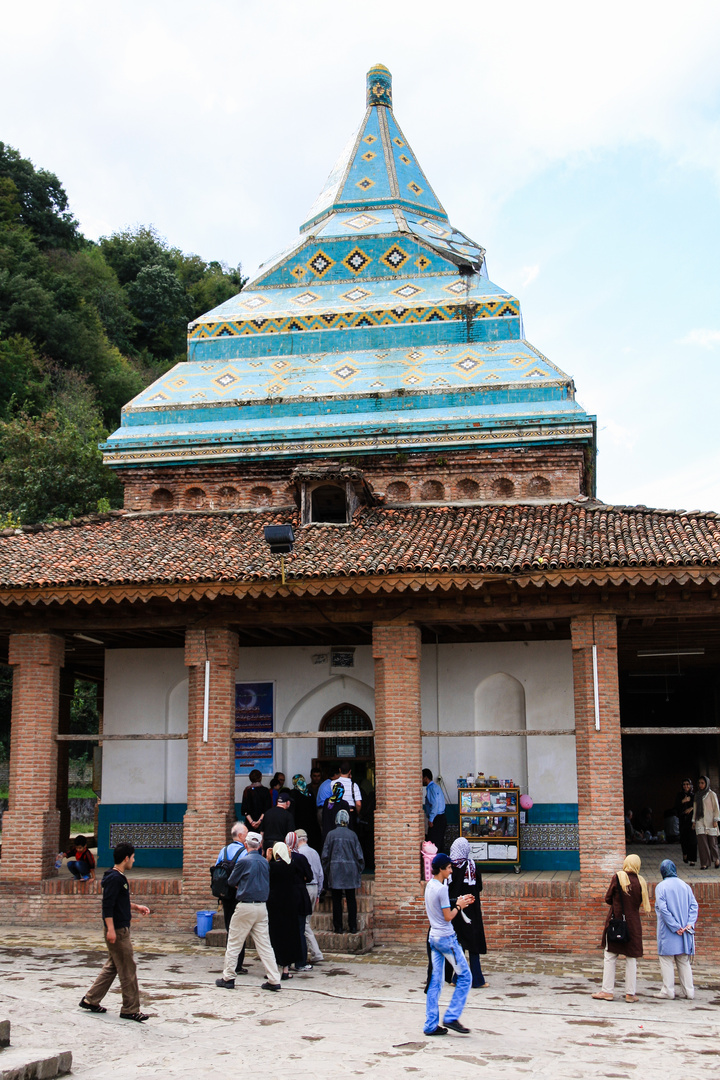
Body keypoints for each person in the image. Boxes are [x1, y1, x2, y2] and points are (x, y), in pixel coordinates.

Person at [79, 842, 150, 1021]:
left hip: (119, 928)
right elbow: (107, 905)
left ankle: (91, 999)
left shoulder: (118, 877)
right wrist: (111, 929)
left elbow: (120, 902)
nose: (134, 860)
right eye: (133, 857)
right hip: (117, 930)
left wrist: (136, 907)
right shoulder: (115, 878)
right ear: (126, 858)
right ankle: (130, 1009)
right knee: (127, 969)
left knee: (113, 966)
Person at [215, 832, 282, 992]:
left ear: (246, 845)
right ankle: (274, 979)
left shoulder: (244, 861)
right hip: (261, 907)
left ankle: (228, 977)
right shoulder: (265, 863)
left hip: (245, 905)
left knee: (234, 942)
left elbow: (231, 881)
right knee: (265, 945)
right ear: (259, 845)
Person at [423, 852, 474, 1036]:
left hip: (433, 938)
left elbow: (439, 907)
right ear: (442, 869)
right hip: (446, 938)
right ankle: (452, 1016)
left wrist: (457, 901)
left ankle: (430, 1024)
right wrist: (459, 906)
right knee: (466, 977)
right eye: (449, 868)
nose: (451, 870)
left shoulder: (430, 885)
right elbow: (448, 916)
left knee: (435, 982)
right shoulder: (442, 888)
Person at [592, 853, 651, 1003]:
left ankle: (607, 991)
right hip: (634, 925)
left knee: (610, 957)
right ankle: (630, 994)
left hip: (617, 923)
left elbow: (607, 899)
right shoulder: (641, 881)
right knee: (631, 959)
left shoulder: (618, 877)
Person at [444, 837, 487, 989]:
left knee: (459, 944)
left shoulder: (449, 868)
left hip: (455, 910)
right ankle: (477, 980)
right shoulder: (472, 866)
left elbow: (445, 889)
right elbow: (479, 887)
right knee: (473, 945)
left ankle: (457, 978)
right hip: (472, 911)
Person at [654, 859, 698, 1000]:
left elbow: (663, 909)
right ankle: (689, 991)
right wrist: (689, 924)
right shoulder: (685, 886)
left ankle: (668, 990)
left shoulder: (661, 887)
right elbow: (694, 906)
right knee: (683, 960)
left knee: (666, 960)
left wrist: (674, 926)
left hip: (668, 931)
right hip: (685, 932)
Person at [322, 808, 364, 934]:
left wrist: (328, 870)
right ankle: (353, 926)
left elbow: (325, 856)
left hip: (335, 871)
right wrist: (358, 871)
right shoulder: (353, 835)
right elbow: (360, 857)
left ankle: (338, 927)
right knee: (351, 899)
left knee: (336, 900)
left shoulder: (330, 835)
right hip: (350, 872)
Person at [266, 842, 304, 979]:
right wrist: (289, 855)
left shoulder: (271, 867)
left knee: (274, 937)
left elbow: (265, 874)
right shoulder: (292, 866)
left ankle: (273, 970)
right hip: (290, 905)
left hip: (274, 905)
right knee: (288, 936)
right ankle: (286, 970)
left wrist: (267, 858)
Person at [215, 822, 248, 975]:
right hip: (239, 894)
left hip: (225, 894)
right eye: (246, 834)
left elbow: (216, 868)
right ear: (240, 836)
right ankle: (238, 964)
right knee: (240, 929)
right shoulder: (244, 852)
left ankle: (230, 961)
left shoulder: (224, 850)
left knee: (230, 927)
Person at [284, 831, 314, 971]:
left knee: (288, 931)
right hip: (300, 896)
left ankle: (287, 961)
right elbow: (310, 876)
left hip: (287, 896)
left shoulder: (282, 858)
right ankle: (300, 962)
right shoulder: (300, 858)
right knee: (300, 930)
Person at [295, 828, 324, 963]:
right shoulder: (314, 852)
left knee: (304, 923)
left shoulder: (299, 854)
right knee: (306, 921)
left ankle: (316, 953)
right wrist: (319, 891)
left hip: (304, 888)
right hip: (314, 887)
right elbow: (320, 873)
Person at [692, 774, 720, 869]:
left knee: (712, 843)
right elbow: (695, 809)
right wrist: (693, 821)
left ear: (707, 783)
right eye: (699, 783)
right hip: (700, 821)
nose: (700, 785)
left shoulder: (712, 794)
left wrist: (716, 820)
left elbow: (716, 808)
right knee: (702, 844)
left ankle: (716, 859)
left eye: (702, 783)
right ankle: (705, 863)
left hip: (711, 822)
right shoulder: (697, 795)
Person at [422, 769, 447, 851]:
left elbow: (435, 804)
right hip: (441, 818)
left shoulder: (431, 788)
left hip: (437, 818)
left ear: (425, 778)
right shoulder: (436, 787)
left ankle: (434, 863)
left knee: (433, 845)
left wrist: (431, 819)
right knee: (439, 844)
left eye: (421, 778)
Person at [675, 779, 697, 865]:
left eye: (688, 784)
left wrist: (692, 808)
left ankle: (692, 859)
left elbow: (699, 807)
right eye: (684, 784)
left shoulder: (694, 795)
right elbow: (676, 807)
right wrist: (682, 801)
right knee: (684, 839)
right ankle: (685, 854)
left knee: (693, 840)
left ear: (691, 785)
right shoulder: (679, 795)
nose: (686, 786)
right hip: (683, 820)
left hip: (692, 820)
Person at [337, 760, 362, 825]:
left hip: (337, 812)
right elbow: (358, 804)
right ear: (350, 771)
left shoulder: (332, 783)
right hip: (350, 812)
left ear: (339, 770)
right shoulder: (354, 785)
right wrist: (358, 814)